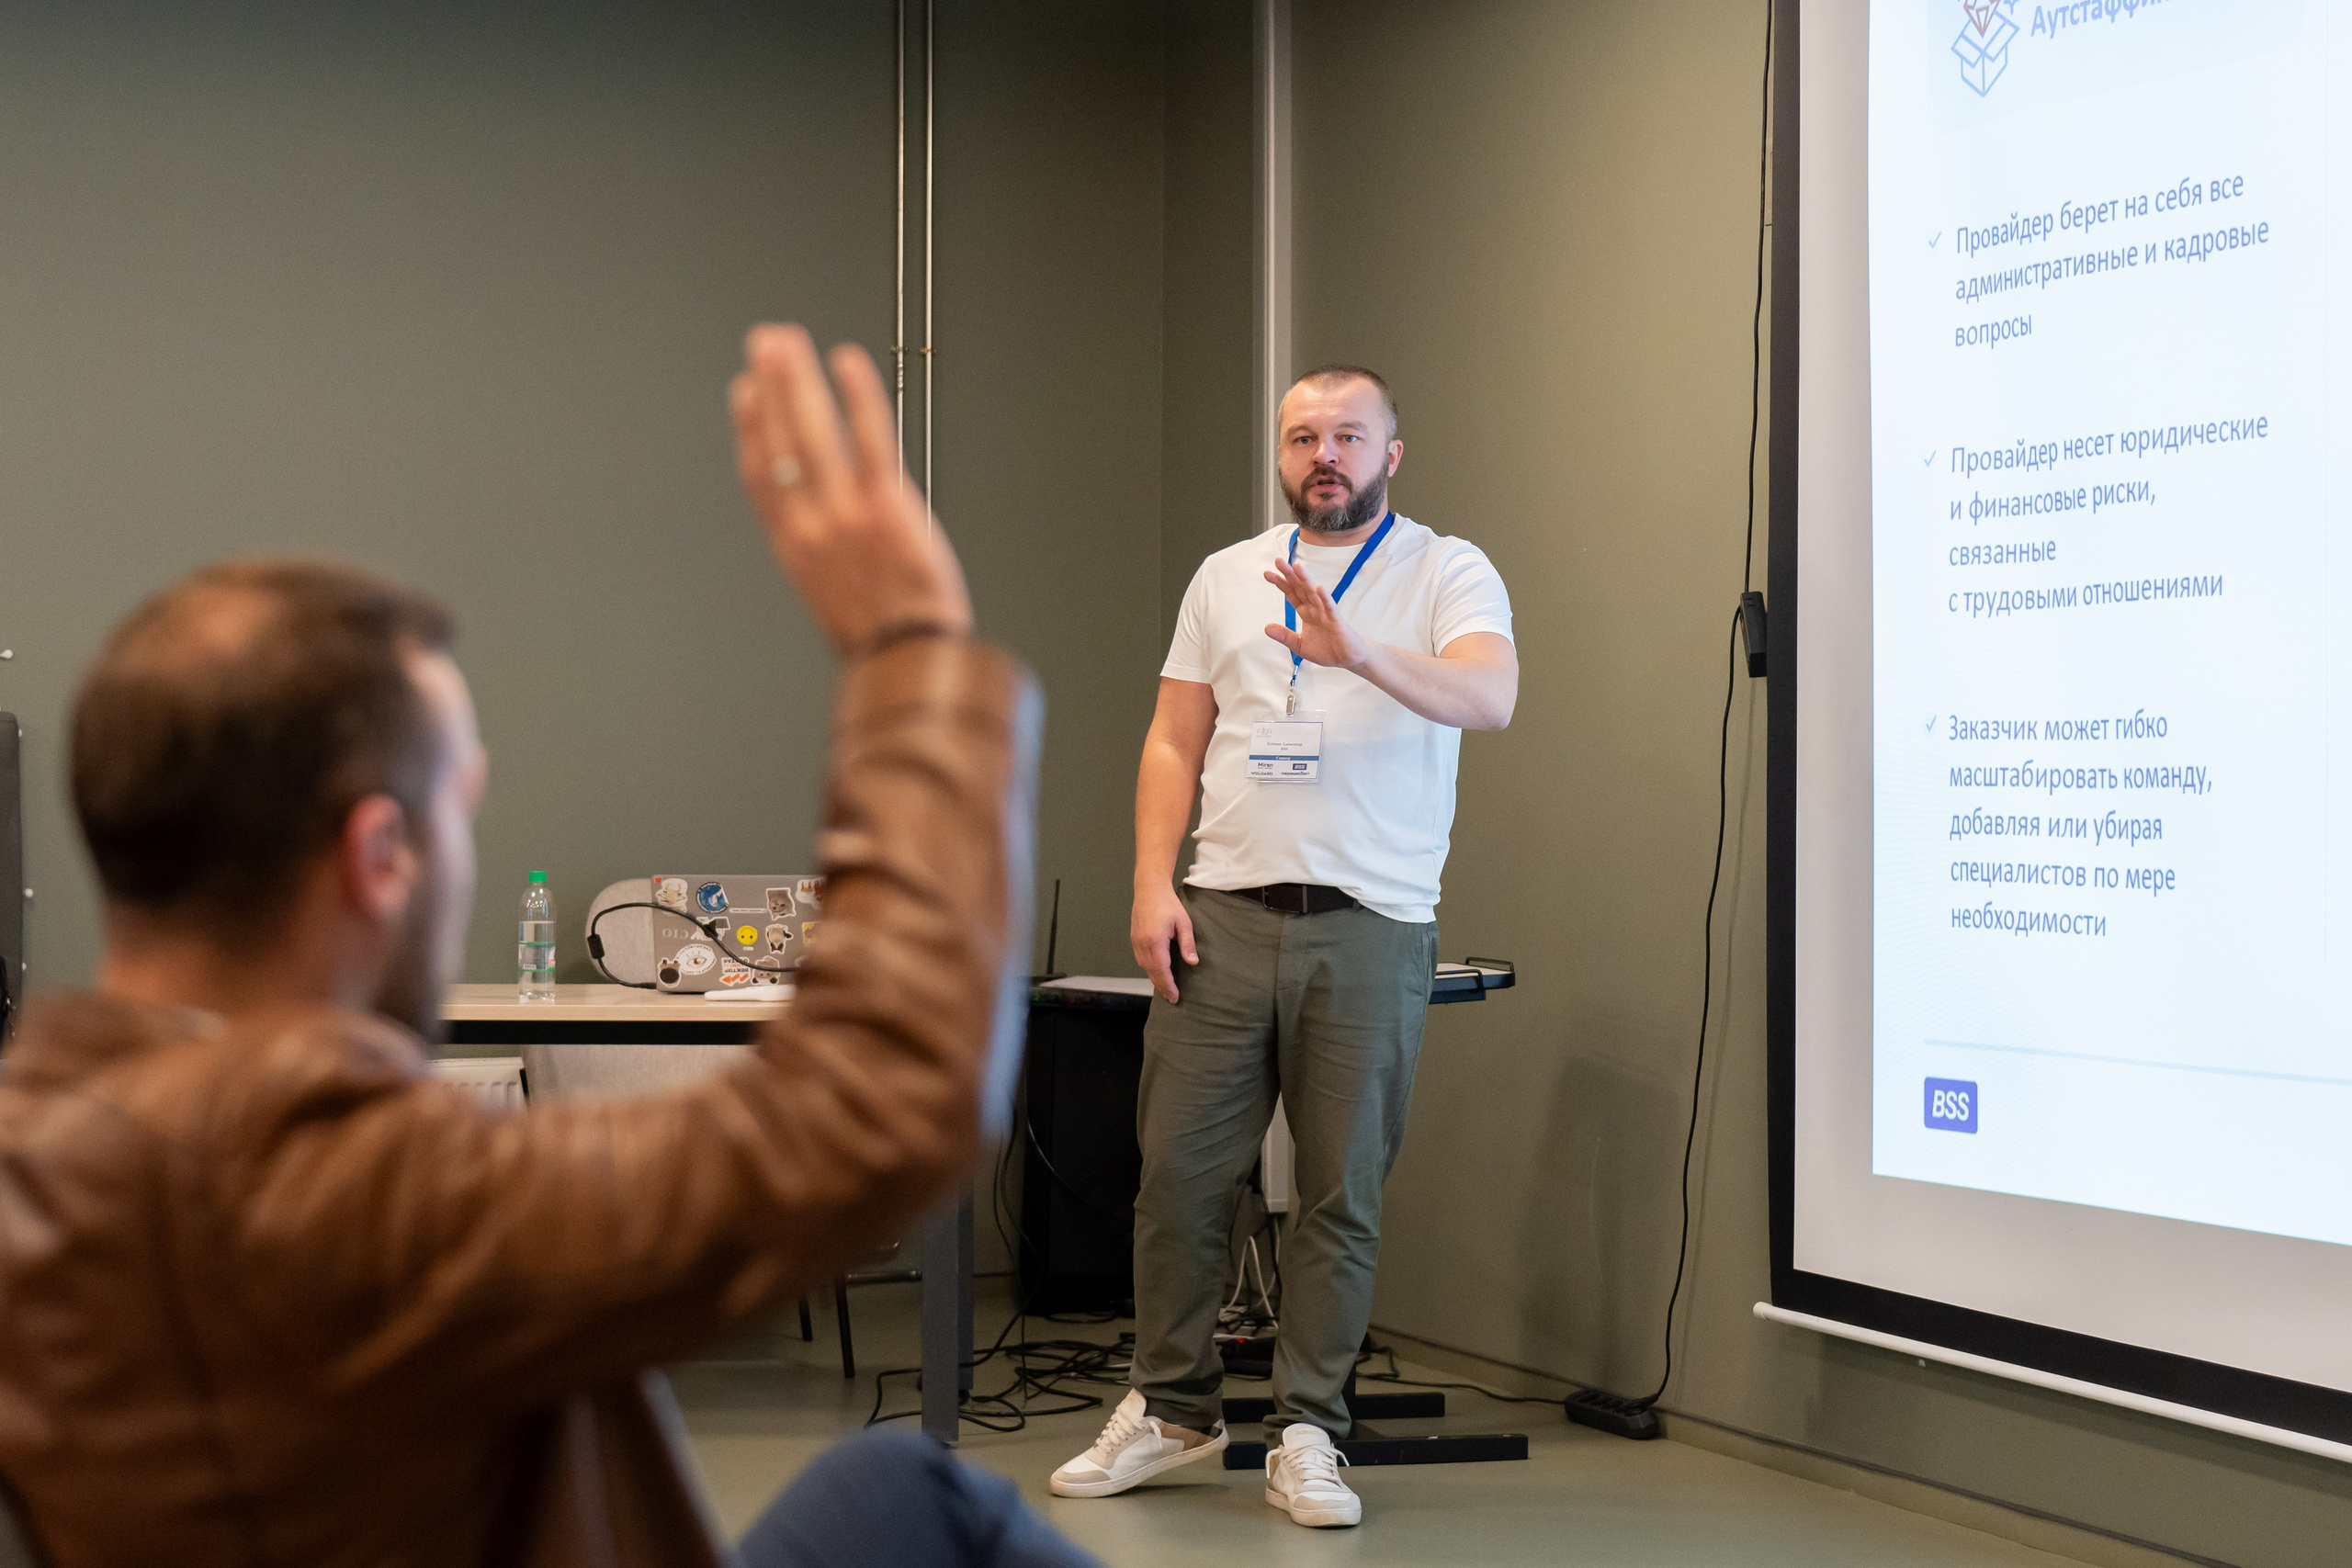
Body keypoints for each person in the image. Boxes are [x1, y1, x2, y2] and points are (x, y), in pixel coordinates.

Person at [0, 327, 1100, 1568]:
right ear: (379, 856)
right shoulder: (319, 1187)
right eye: (461, 802)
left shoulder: (53, 1133)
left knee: (899, 1486)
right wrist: (912, 652)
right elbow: (879, 1107)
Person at [1050, 366, 1516, 1529]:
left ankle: (1308, 1432)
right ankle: (1171, 1411)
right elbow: (1172, 740)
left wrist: (1356, 651)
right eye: (1303, 436)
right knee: (1178, 1182)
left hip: (1370, 924)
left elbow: (1490, 697)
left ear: (1391, 453)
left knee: (1337, 1195)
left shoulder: (1448, 570)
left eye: (1348, 436)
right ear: (1280, 453)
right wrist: (1154, 883)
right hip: (1221, 916)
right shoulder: (1224, 577)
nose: (1325, 454)